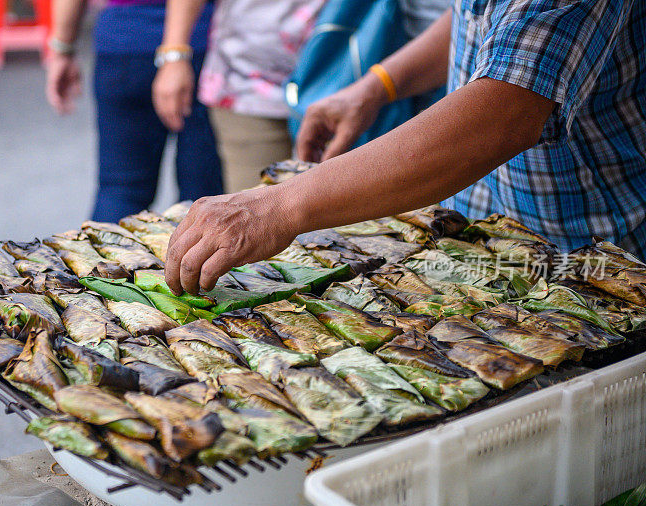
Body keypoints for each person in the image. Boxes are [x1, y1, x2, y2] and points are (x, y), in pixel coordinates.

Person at [161, 0, 646, 296]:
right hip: (479, 237)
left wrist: (282, 206)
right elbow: (475, 19)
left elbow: (503, 112)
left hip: (592, 260)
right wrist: (378, 84)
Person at [46, 0, 223, 222]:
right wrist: (175, 52)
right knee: (203, 194)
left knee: (122, 191)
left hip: (123, 45)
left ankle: (105, 257)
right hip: (195, 45)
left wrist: (62, 48)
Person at [152, 0, 326, 193]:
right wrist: (174, 55)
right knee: (251, 202)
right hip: (245, 79)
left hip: (337, 76)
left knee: (340, 206)